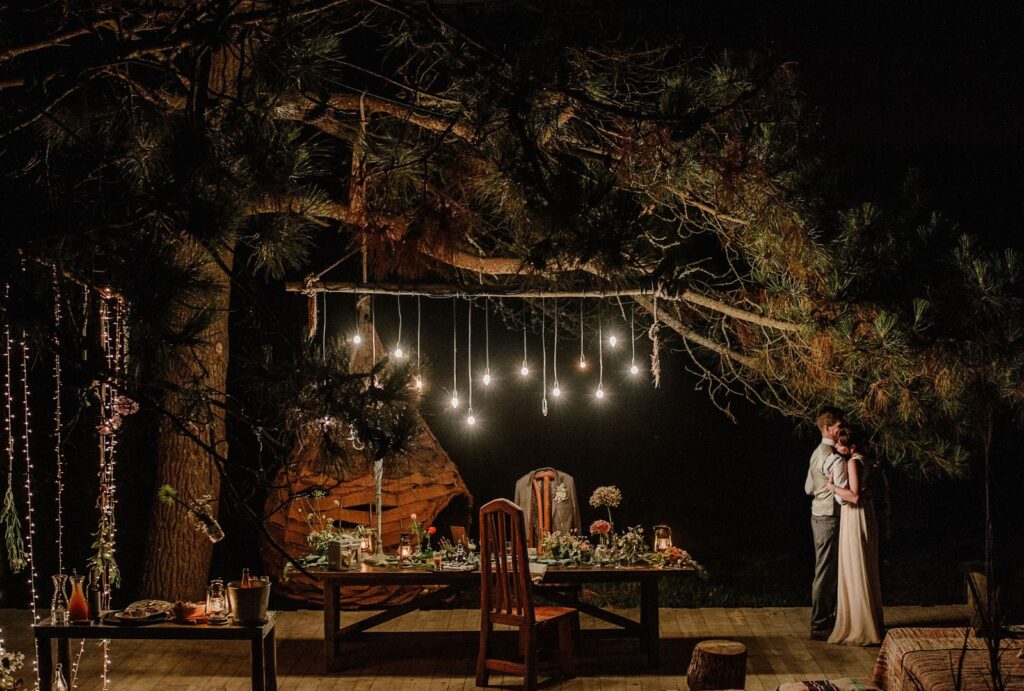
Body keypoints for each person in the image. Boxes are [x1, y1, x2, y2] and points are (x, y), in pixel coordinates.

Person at [828, 430, 884, 645]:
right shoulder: (866, 460)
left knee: (856, 564)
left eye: (839, 445)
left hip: (855, 514)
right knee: (865, 565)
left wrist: (833, 487)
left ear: (847, 445)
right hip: (867, 514)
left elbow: (854, 495)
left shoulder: (853, 462)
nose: (836, 449)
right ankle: (870, 621)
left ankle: (860, 625)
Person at [805, 407, 847, 640]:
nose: (842, 431)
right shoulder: (830, 456)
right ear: (827, 428)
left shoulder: (816, 453)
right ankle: (820, 624)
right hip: (829, 516)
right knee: (825, 571)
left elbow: (808, 488)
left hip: (819, 514)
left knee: (826, 569)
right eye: (839, 427)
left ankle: (825, 618)